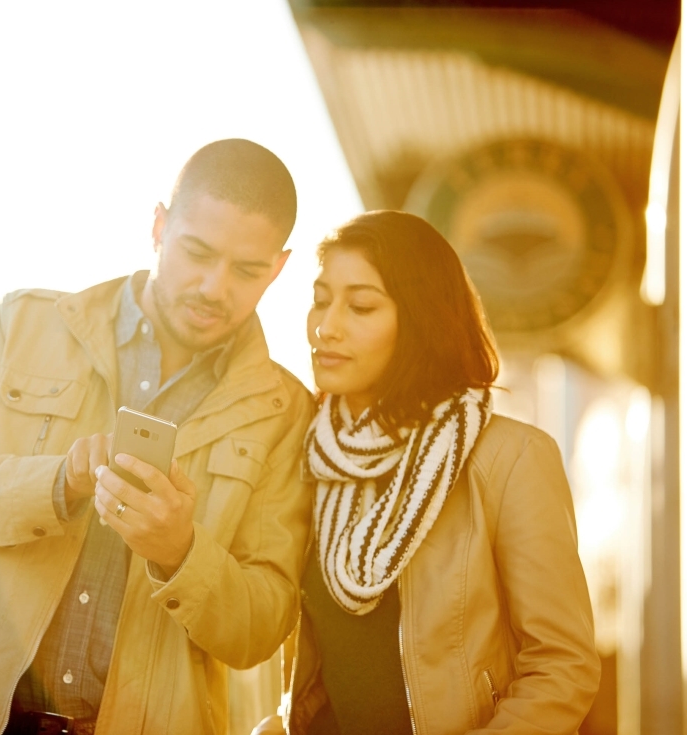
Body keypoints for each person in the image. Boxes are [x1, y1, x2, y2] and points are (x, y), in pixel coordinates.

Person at [0, 139, 315, 734]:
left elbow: (264, 628)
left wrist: (180, 554)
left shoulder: (285, 411)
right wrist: (57, 482)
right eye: (197, 252)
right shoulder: (28, 326)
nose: (216, 288)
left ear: (280, 267)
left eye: (246, 270)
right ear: (159, 227)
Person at [257, 210, 600, 734]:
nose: (327, 326)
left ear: (419, 318)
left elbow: (563, 667)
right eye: (322, 299)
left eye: (362, 305)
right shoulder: (309, 455)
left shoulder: (512, 458)